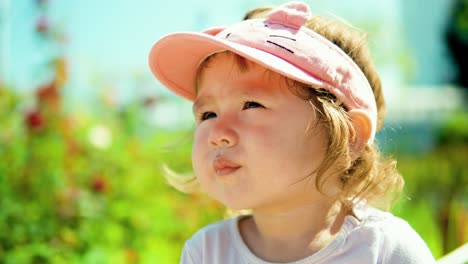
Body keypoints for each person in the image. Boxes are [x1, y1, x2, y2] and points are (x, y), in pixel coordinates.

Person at [148, 1, 436, 263]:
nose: (217, 133)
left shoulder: (386, 249)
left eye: (251, 104)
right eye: (207, 114)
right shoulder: (207, 252)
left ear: (349, 135)